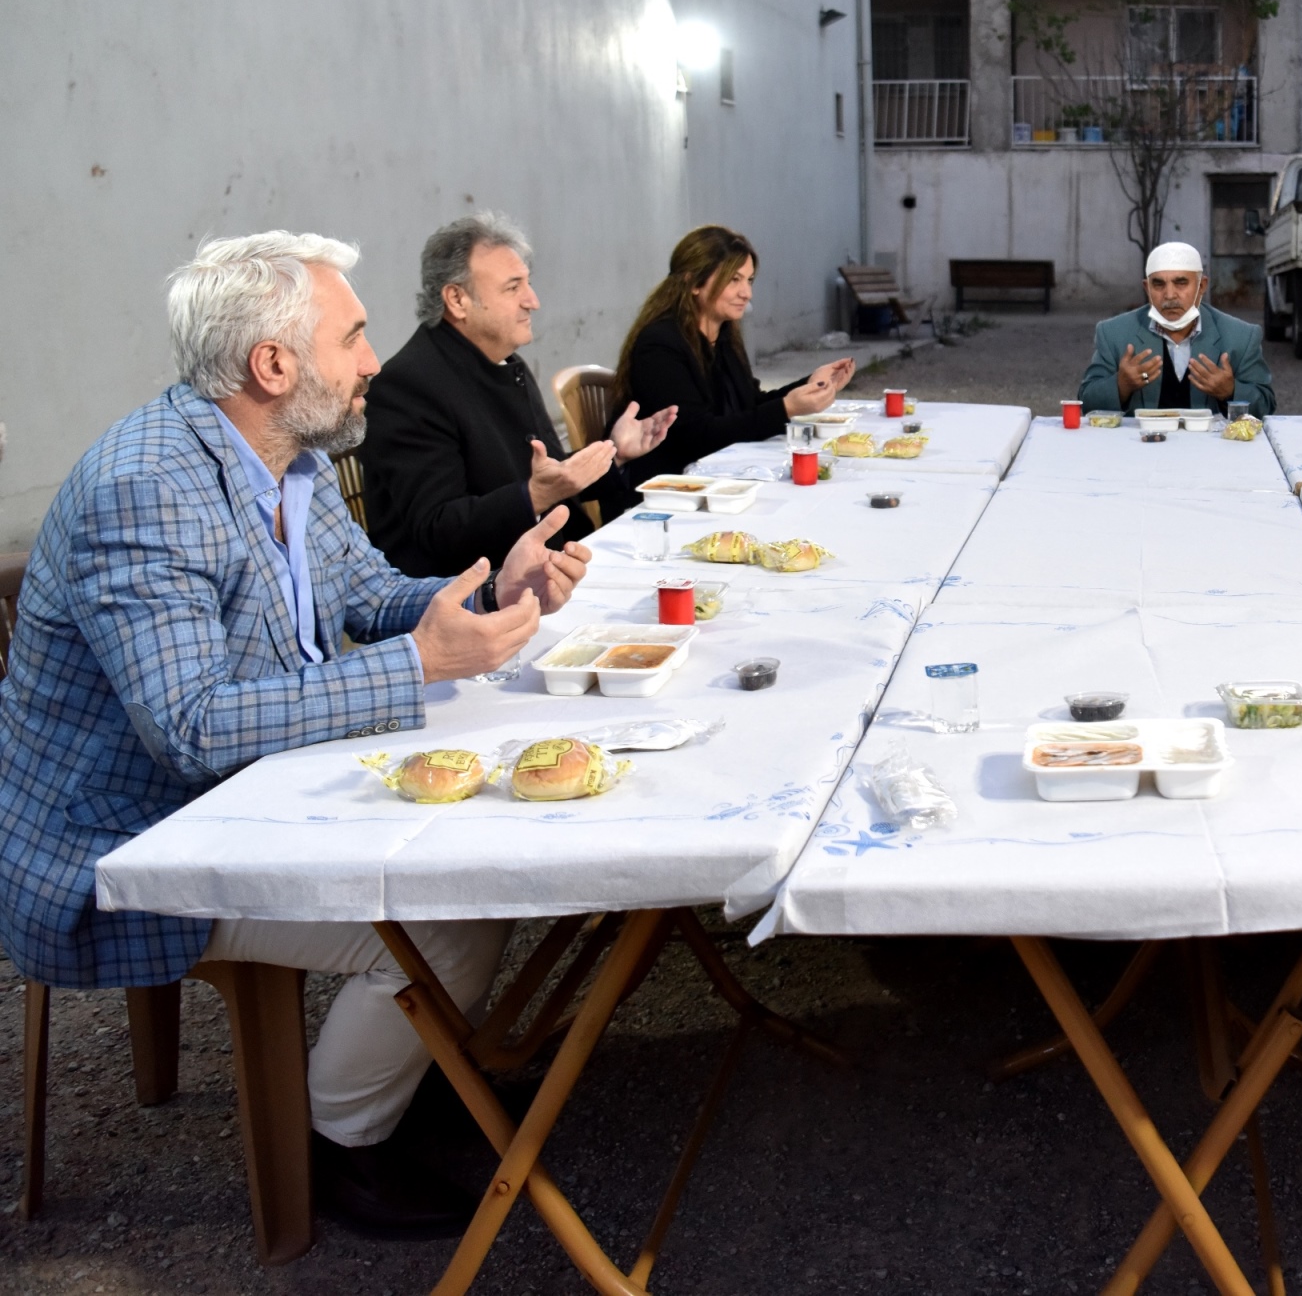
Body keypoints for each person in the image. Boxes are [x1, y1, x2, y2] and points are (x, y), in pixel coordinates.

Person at [0, 232, 589, 1237]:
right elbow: (190, 726)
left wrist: (493, 587)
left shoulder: (284, 456)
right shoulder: (149, 486)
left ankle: (408, 1069)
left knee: (470, 861)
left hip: (243, 793)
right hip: (128, 842)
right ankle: (335, 1147)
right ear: (273, 366)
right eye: (353, 337)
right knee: (446, 910)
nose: (372, 361)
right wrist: (419, 666)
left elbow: (371, 595)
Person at [359, 214, 676, 577]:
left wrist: (613, 454)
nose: (533, 301)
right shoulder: (408, 386)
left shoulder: (505, 362)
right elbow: (438, 528)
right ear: (457, 299)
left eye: (528, 284)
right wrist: (537, 495)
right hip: (470, 595)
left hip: (541, 569)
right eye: (513, 288)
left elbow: (545, 475)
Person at [615, 225, 859, 483]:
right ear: (693, 282)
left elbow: (749, 405)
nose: (747, 293)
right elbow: (696, 437)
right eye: (734, 280)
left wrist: (812, 384)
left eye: (749, 280)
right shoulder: (660, 344)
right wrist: (786, 409)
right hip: (670, 486)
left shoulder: (724, 336)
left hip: (719, 473)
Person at [1078, 241, 1276, 417]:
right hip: (1140, 451)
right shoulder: (1115, 333)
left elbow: (1266, 406)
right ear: (1147, 288)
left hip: (1211, 452)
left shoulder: (1240, 336)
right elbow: (1085, 403)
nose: (1170, 295)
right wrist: (1121, 386)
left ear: (1201, 286)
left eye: (1181, 283)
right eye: (1159, 284)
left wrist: (1230, 391)